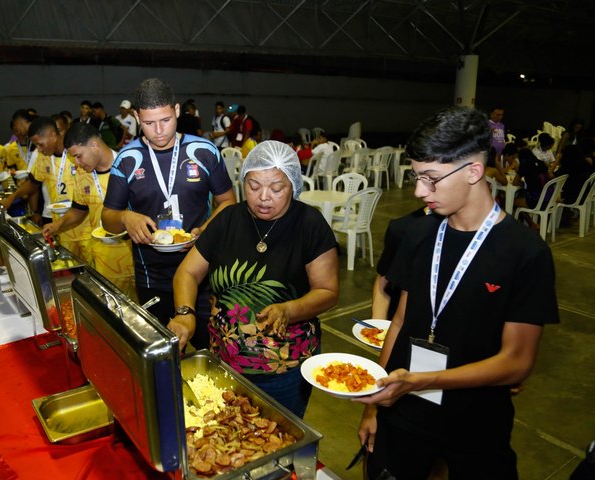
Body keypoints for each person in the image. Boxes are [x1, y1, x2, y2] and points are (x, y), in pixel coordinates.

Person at [357, 106, 559, 480]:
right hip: (403, 412)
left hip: (474, 422)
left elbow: (516, 361)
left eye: (430, 179)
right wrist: (373, 407)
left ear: (473, 171)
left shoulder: (525, 254)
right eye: (417, 177)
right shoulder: (416, 235)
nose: (420, 191)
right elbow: (399, 323)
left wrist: (423, 379)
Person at [168, 141, 339, 418]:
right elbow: (187, 272)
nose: (263, 197)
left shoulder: (309, 224)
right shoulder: (228, 220)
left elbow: (328, 290)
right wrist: (185, 312)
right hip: (224, 361)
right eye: (254, 186)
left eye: (276, 188)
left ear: (293, 185)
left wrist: (289, 309)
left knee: (279, 438)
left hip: (283, 370)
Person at [101, 78, 236, 350]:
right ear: (137, 117)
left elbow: (228, 202)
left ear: (176, 110)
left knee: (208, 348)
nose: (159, 131)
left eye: (165, 120)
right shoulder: (127, 159)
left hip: (201, 268)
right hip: (152, 273)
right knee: (161, 352)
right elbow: (108, 218)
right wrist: (127, 217)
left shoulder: (204, 151)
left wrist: (206, 228)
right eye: (149, 123)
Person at [42, 123, 137, 298]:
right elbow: (78, 210)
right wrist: (58, 225)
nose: (77, 163)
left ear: (94, 145)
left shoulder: (130, 164)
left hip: (137, 258)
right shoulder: (82, 174)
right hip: (105, 262)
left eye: (78, 156)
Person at [1, 116, 90, 262]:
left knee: (91, 272)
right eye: (36, 145)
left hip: (86, 227)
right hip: (61, 227)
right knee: (69, 268)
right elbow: (33, 183)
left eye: (40, 144)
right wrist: (12, 197)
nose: (39, 149)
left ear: (53, 135)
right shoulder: (43, 158)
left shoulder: (77, 154)